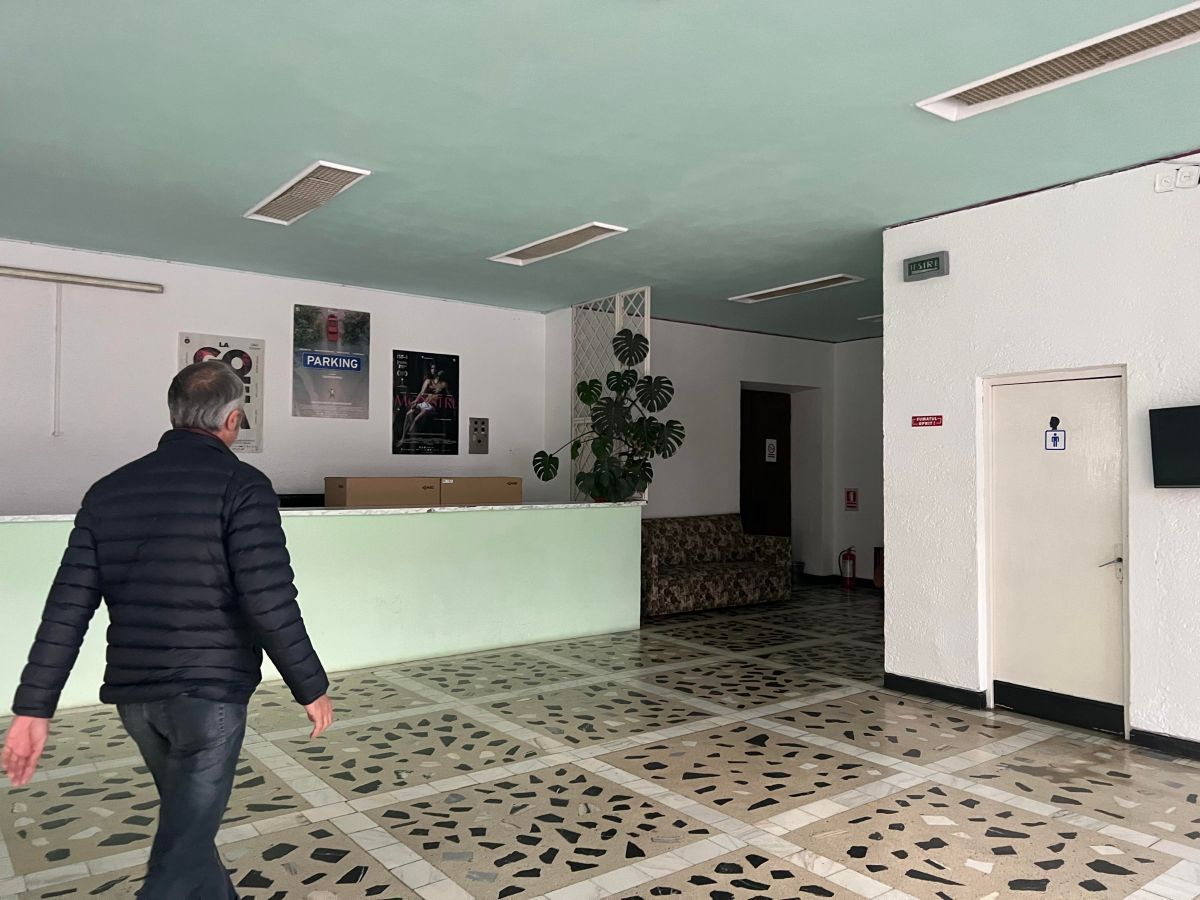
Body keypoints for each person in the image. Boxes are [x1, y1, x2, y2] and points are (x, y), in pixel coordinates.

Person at [2, 361, 333, 898]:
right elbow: (268, 597)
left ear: (176, 414)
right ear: (232, 419)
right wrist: (310, 685)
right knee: (179, 854)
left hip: (138, 703)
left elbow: (67, 607)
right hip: (209, 700)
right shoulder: (243, 486)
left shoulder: (108, 492)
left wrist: (33, 708)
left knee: (188, 833)